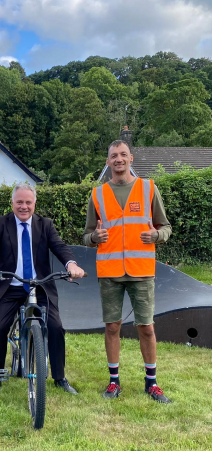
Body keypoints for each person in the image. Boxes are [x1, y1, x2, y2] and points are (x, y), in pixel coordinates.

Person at [83, 140, 172, 403]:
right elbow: (87, 235)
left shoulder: (148, 188)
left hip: (141, 270)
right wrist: (94, 238)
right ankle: (114, 382)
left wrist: (156, 235)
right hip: (110, 271)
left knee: (146, 327)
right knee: (112, 327)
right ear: (108, 161)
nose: (119, 159)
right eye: (113, 156)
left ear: (131, 158)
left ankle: (152, 383)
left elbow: (165, 227)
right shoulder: (97, 194)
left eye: (123, 154)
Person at [0, 182, 85, 395]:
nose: (23, 206)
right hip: (10, 285)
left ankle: (60, 377)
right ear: (12, 203)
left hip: (40, 285)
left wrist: (71, 264)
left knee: (55, 327)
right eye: (19, 202)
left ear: (34, 203)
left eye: (28, 202)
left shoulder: (45, 225)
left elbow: (59, 247)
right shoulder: (0, 223)